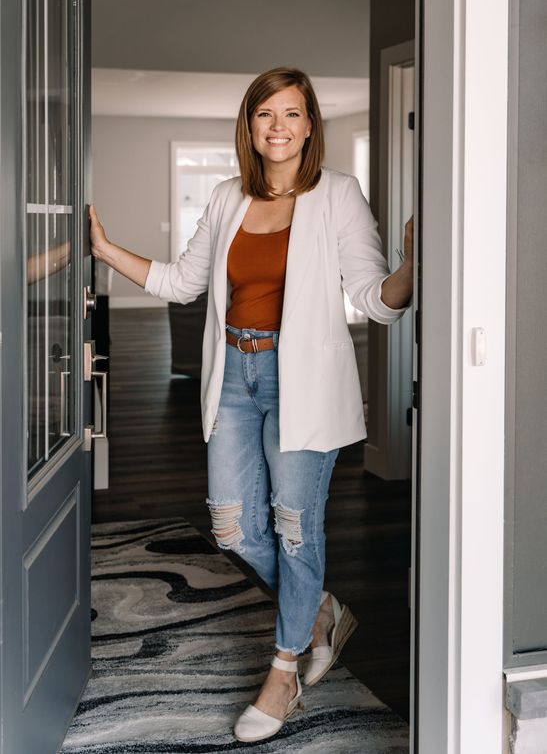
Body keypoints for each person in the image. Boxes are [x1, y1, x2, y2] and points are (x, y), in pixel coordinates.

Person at [89, 67, 413, 744]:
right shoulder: (227, 197)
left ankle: (284, 669)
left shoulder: (338, 195)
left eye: (291, 114)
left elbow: (370, 302)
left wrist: (409, 271)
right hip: (234, 376)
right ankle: (319, 607)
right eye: (265, 114)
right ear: (250, 125)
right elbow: (181, 284)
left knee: (296, 530)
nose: (277, 127)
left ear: (310, 125)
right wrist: (104, 249)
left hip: (305, 383)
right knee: (233, 527)